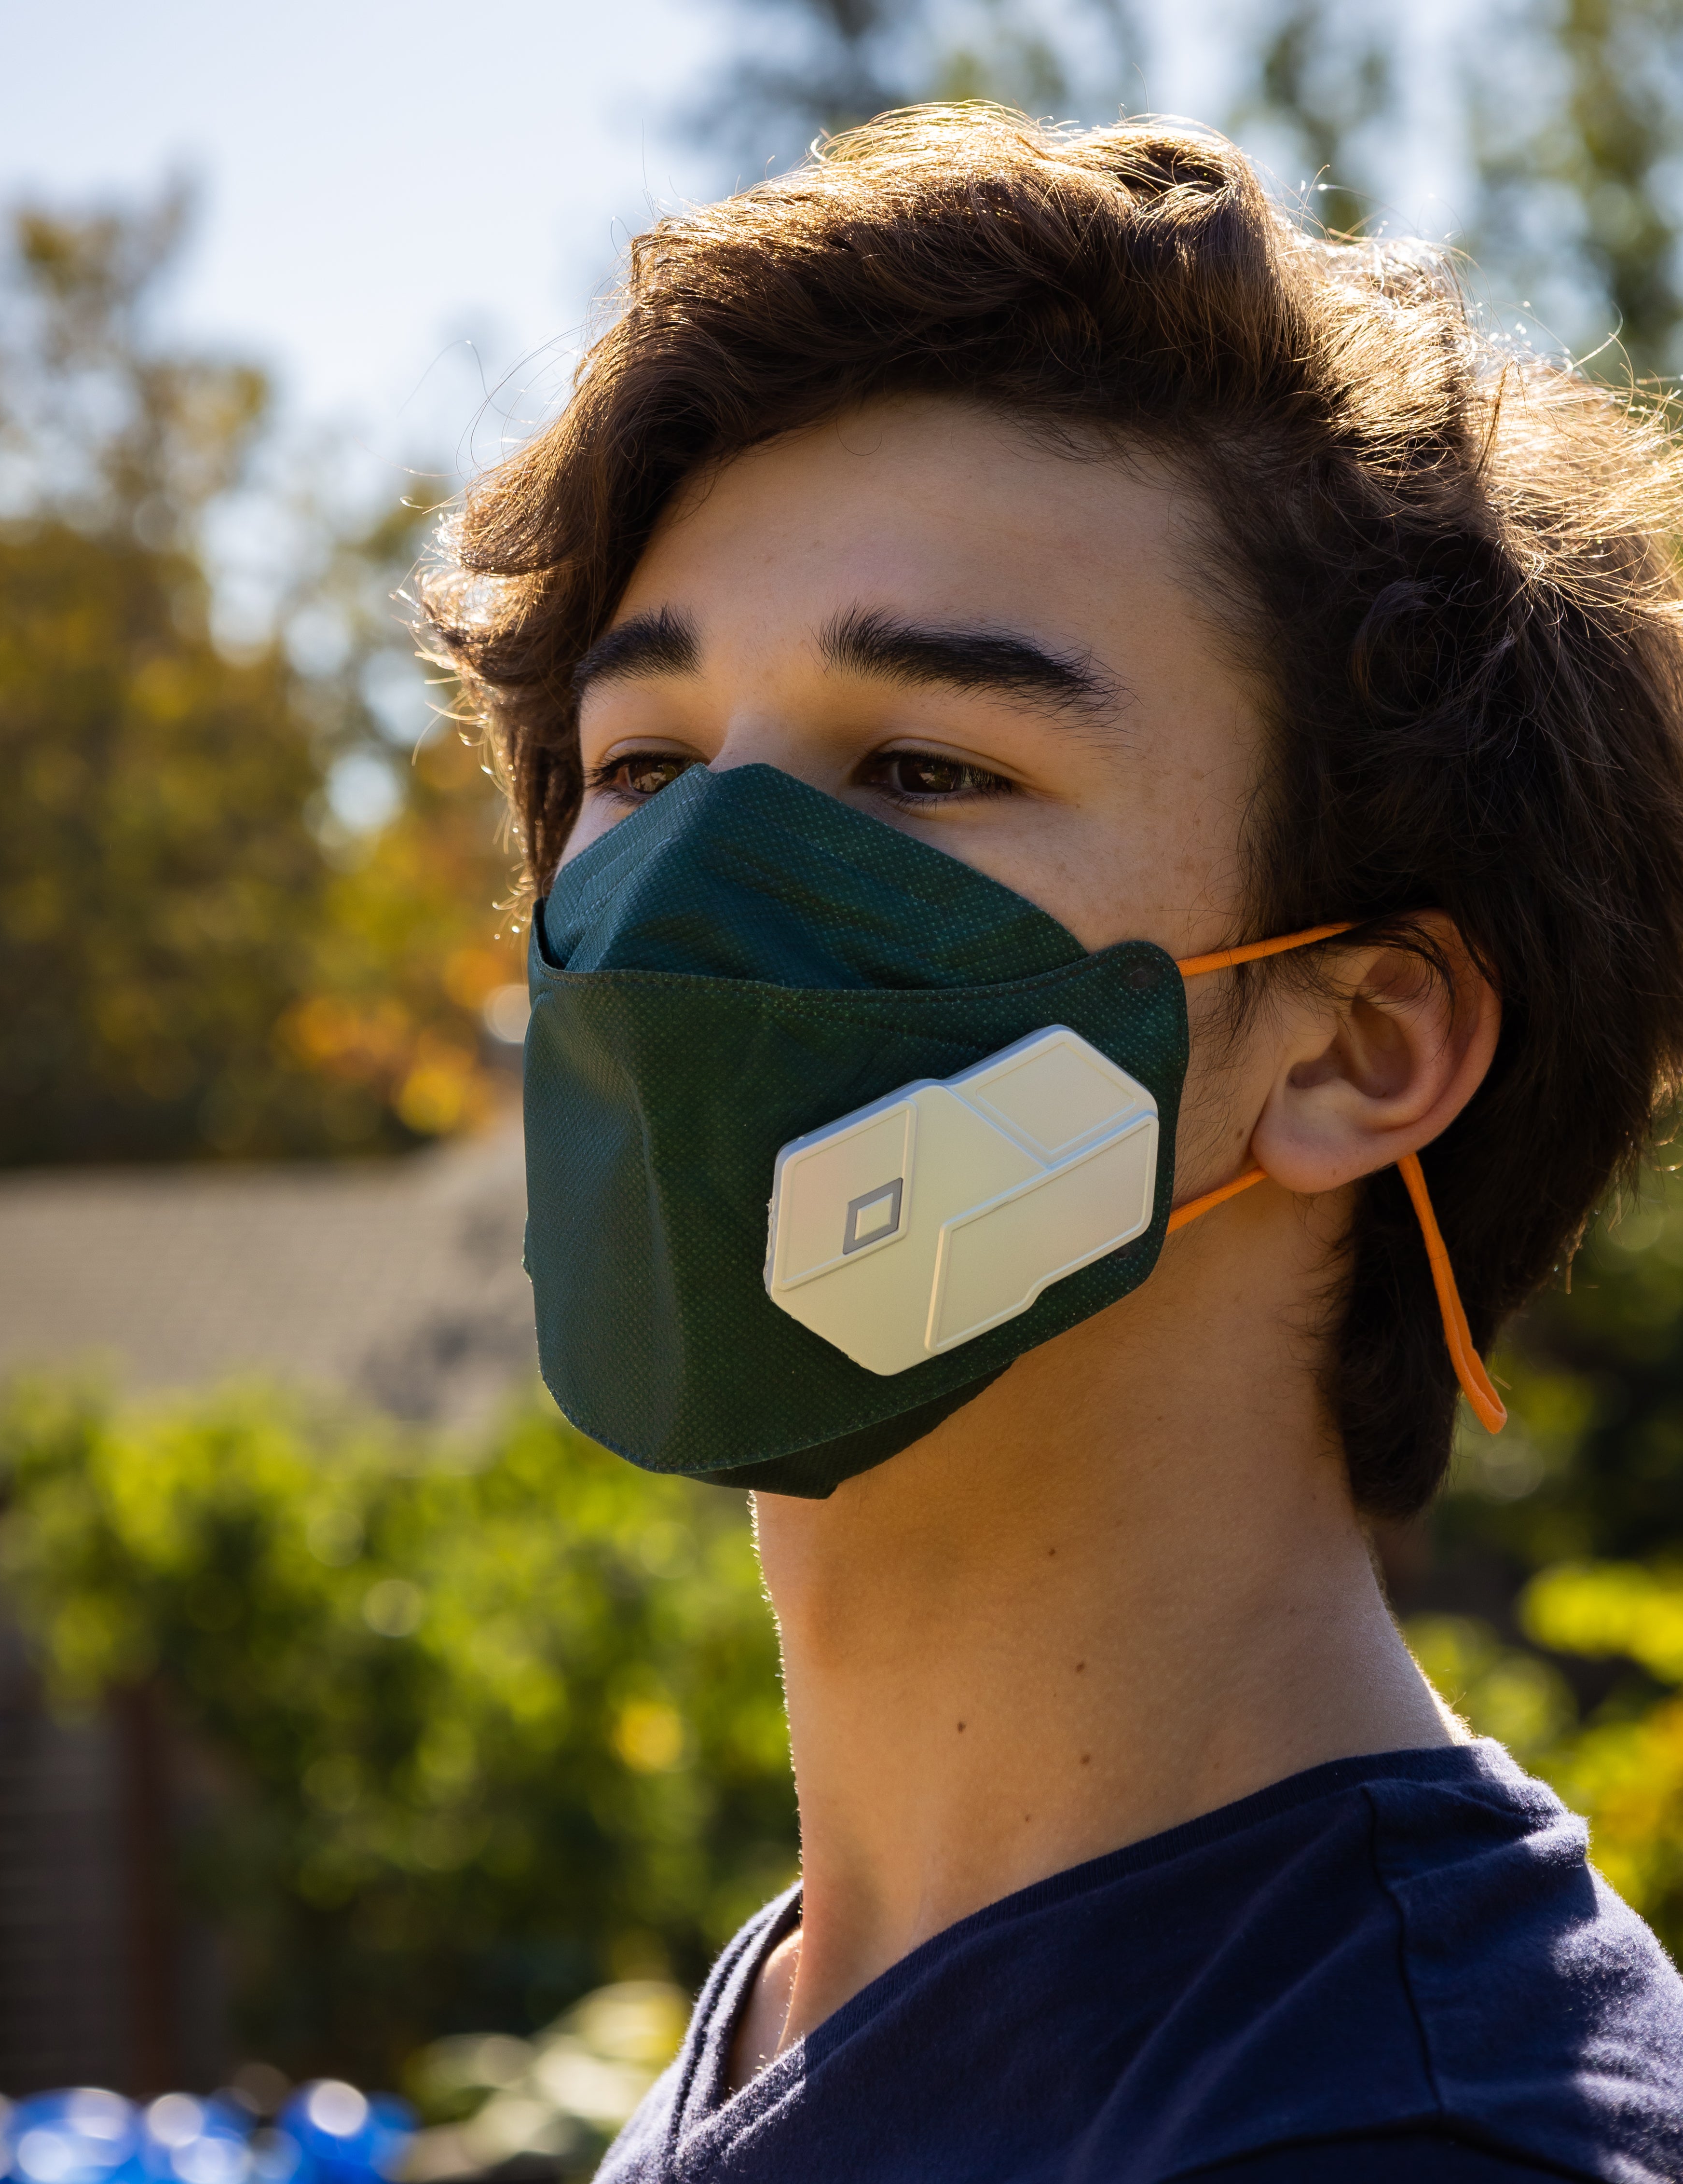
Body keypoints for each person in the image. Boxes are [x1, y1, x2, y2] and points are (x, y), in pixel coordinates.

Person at [427, 110, 1683, 2182]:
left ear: (1357, 1041)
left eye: (923, 765)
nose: (684, 910)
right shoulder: (784, 2029)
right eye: (640, 761)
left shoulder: (1414, 2137)